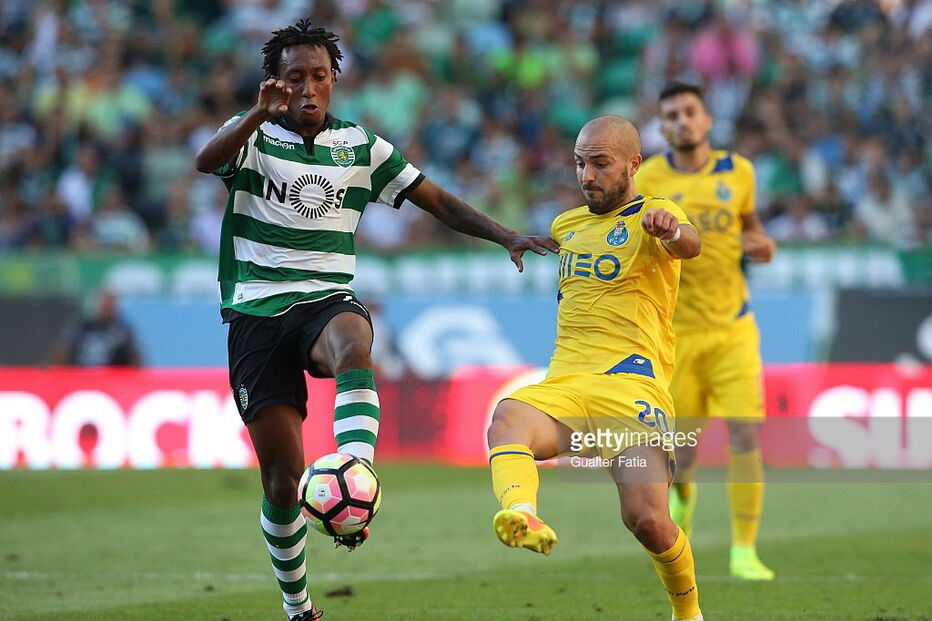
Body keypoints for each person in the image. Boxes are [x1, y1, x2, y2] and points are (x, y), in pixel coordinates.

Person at [193, 19, 557, 621]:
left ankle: (354, 468)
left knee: (353, 340)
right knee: (283, 485)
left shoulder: (360, 147)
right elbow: (206, 162)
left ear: (334, 79)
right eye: (294, 79)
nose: (307, 89)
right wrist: (255, 115)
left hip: (323, 301)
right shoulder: (252, 139)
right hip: (256, 317)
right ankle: (298, 604)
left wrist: (504, 234)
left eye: (318, 76)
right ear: (275, 84)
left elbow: (434, 199)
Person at [487, 115, 704, 621]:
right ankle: (521, 514)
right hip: (565, 385)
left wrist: (670, 231)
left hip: (631, 389)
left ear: (633, 164)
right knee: (508, 419)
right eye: (581, 163)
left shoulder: (656, 212)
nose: (587, 175)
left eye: (601, 164)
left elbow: (689, 244)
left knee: (647, 520)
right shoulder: (567, 225)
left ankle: (688, 614)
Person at [636, 82, 777, 581]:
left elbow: (752, 226)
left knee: (745, 434)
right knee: (683, 454)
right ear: (663, 125)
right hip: (678, 334)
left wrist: (761, 242)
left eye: (690, 111)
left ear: (708, 118)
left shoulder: (739, 172)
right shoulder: (649, 176)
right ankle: (684, 505)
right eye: (671, 115)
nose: (682, 121)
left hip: (734, 328)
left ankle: (744, 550)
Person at [52, 290, 143, 367]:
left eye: (111, 305)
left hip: (113, 378)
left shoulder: (122, 329)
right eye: (105, 304)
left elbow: (135, 358)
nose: (107, 308)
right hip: (82, 375)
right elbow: (63, 350)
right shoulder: (83, 325)